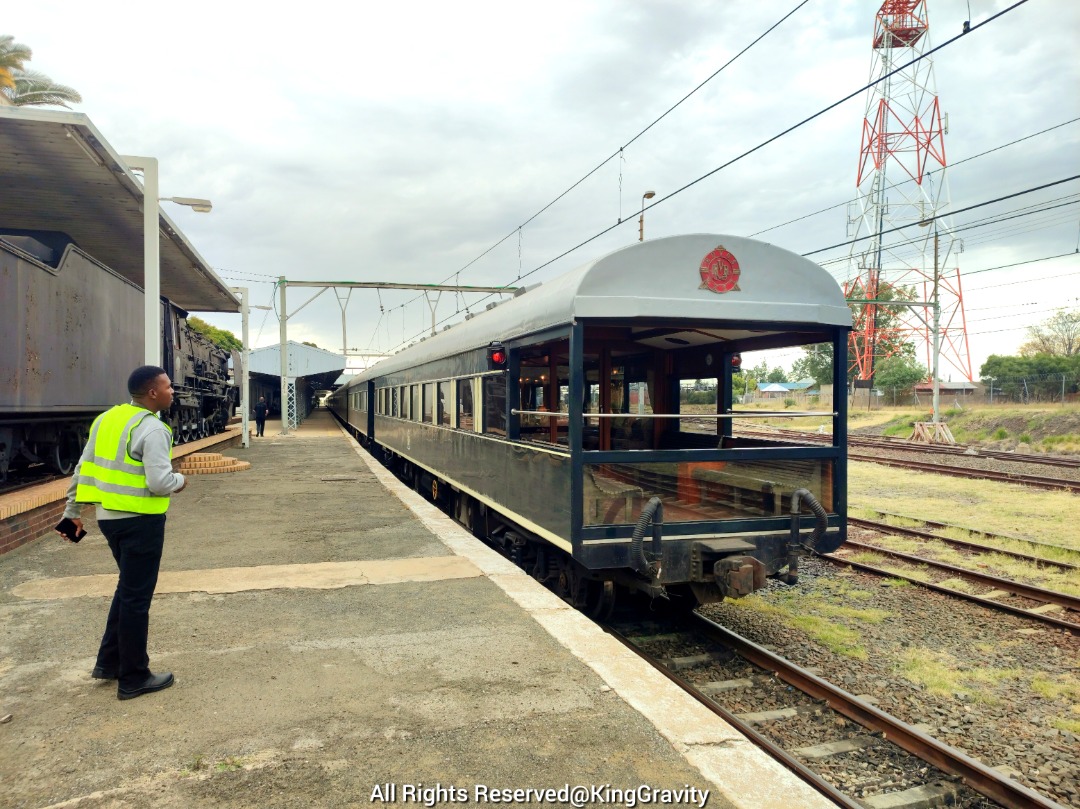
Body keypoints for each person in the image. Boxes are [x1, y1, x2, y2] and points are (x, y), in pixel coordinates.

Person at [57, 365, 187, 700]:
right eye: (168, 387)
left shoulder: (107, 419)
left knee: (127, 588)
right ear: (153, 393)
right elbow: (160, 483)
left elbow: (82, 468)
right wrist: (180, 481)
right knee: (136, 598)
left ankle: (110, 663)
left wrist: (71, 514)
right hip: (141, 522)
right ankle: (134, 677)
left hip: (109, 521)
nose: (173, 391)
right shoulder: (153, 429)